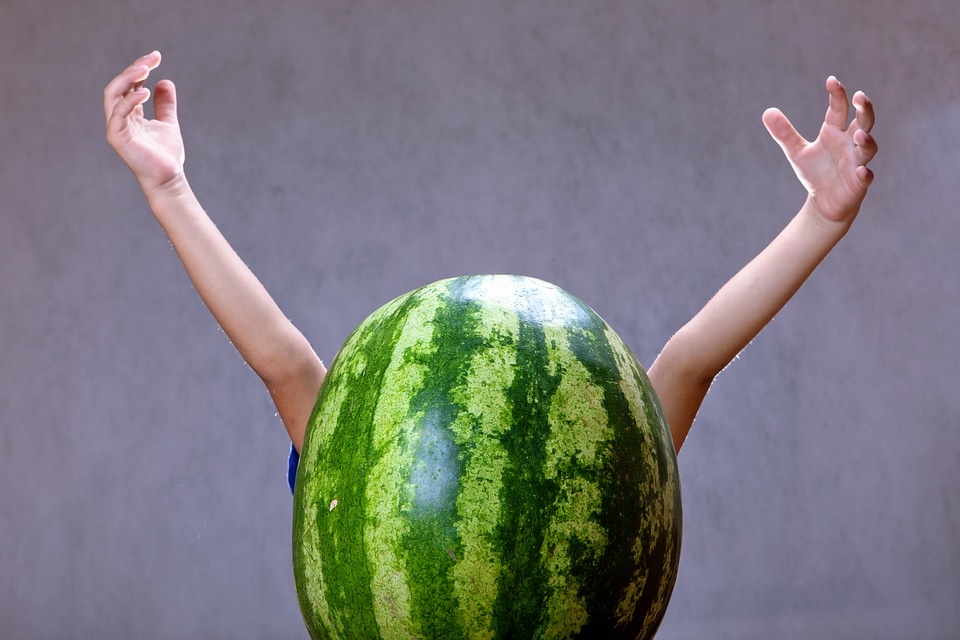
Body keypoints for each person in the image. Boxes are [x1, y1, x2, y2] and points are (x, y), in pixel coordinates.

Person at [104, 51, 877, 486]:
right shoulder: (363, 472)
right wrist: (167, 188)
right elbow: (282, 361)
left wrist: (820, 219)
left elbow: (692, 360)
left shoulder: (583, 481)